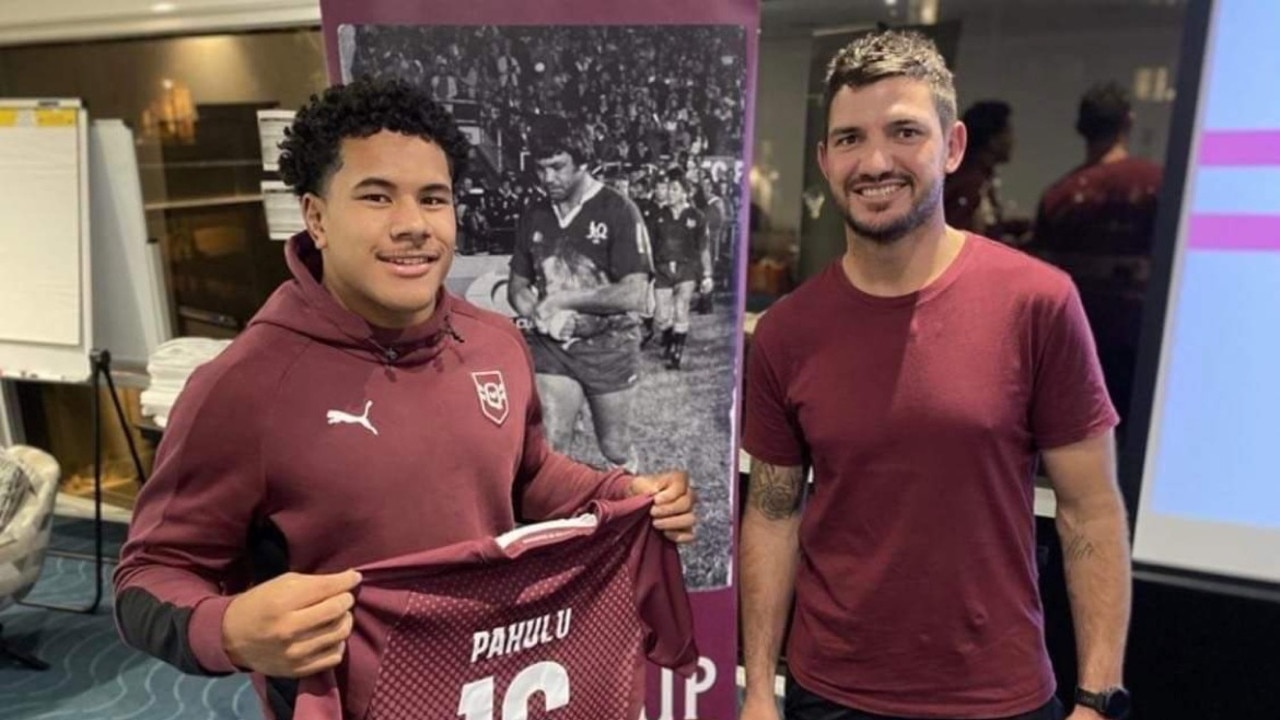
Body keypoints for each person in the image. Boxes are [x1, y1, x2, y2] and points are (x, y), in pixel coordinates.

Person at [113, 78, 695, 720]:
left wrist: (619, 496)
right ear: (315, 216)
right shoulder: (244, 386)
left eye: (433, 199)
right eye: (376, 196)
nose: (413, 224)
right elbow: (148, 577)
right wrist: (225, 629)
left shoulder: (494, 342)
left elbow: (526, 473)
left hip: (495, 691)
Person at [739, 30, 1132, 720]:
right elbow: (773, 515)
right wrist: (757, 695)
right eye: (852, 139)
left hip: (997, 695)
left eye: (904, 132)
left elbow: (1089, 507)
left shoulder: (1037, 302)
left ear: (951, 146)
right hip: (828, 694)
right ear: (826, 161)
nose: (876, 161)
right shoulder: (786, 333)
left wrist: (1098, 699)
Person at [508, 115, 653, 471]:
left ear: (583, 162)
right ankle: (559, 523)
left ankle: (630, 511)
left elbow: (634, 294)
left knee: (614, 447)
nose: (548, 179)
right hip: (553, 347)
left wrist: (561, 300)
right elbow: (517, 286)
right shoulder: (535, 214)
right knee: (553, 443)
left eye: (557, 168)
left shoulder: (618, 209)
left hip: (610, 345)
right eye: (541, 169)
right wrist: (543, 316)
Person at [1030, 81, 1162, 440]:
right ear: (1128, 122)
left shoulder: (1059, 196)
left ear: (1080, 128)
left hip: (1074, 344)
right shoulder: (1157, 185)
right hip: (1140, 342)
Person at [944, 100, 1029, 242]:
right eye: (1008, 132)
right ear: (992, 140)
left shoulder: (975, 179)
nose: (1013, 140)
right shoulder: (971, 185)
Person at [652, 172, 713, 369]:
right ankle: (669, 338)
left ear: (685, 193)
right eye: (668, 189)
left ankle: (676, 354)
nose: (669, 193)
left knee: (681, 308)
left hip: (687, 269)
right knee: (662, 316)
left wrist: (707, 275)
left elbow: (704, 248)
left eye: (674, 189)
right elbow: (651, 246)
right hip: (662, 269)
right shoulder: (659, 215)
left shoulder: (697, 216)